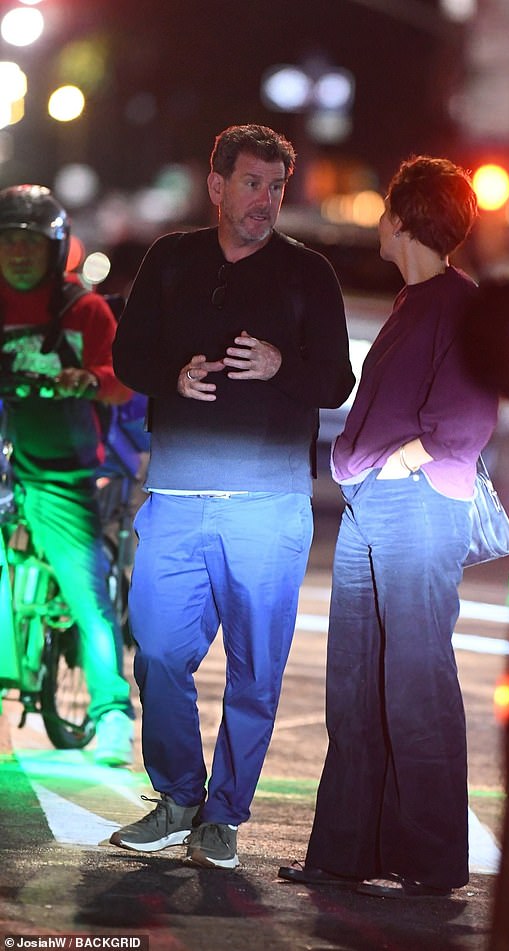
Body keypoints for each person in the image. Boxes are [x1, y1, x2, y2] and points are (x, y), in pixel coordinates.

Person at [109, 124, 355, 868]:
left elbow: (336, 381)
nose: (266, 201)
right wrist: (171, 374)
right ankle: (179, 795)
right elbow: (127, 354)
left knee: (256, 668)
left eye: (278, 186)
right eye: (253, 183)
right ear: (216, 185)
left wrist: (282, 363)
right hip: (178, 493)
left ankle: (223, 814)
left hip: (268, 503)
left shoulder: (308, 273)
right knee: (155, 649)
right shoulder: (171, 257)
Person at [278, 155, 498, 898]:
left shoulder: (459, 302)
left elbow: (463, 423)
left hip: (415, 502)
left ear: (402, 219)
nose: (378, 219)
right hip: (376, 499)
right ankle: (346, 851)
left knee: (415, 680)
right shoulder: (418, 298)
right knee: (356, 679)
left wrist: (396, 461)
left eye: (384, 210)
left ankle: (431, 862)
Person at [0, 184, 135, 766]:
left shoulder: (83, 310)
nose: (18, 254)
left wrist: (88, 379)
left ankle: (111, 716)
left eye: (30, 243)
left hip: (64, 471)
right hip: (9, 462)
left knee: (87, 593)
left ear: (55, 251)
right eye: (8, 242)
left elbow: (120, 379)